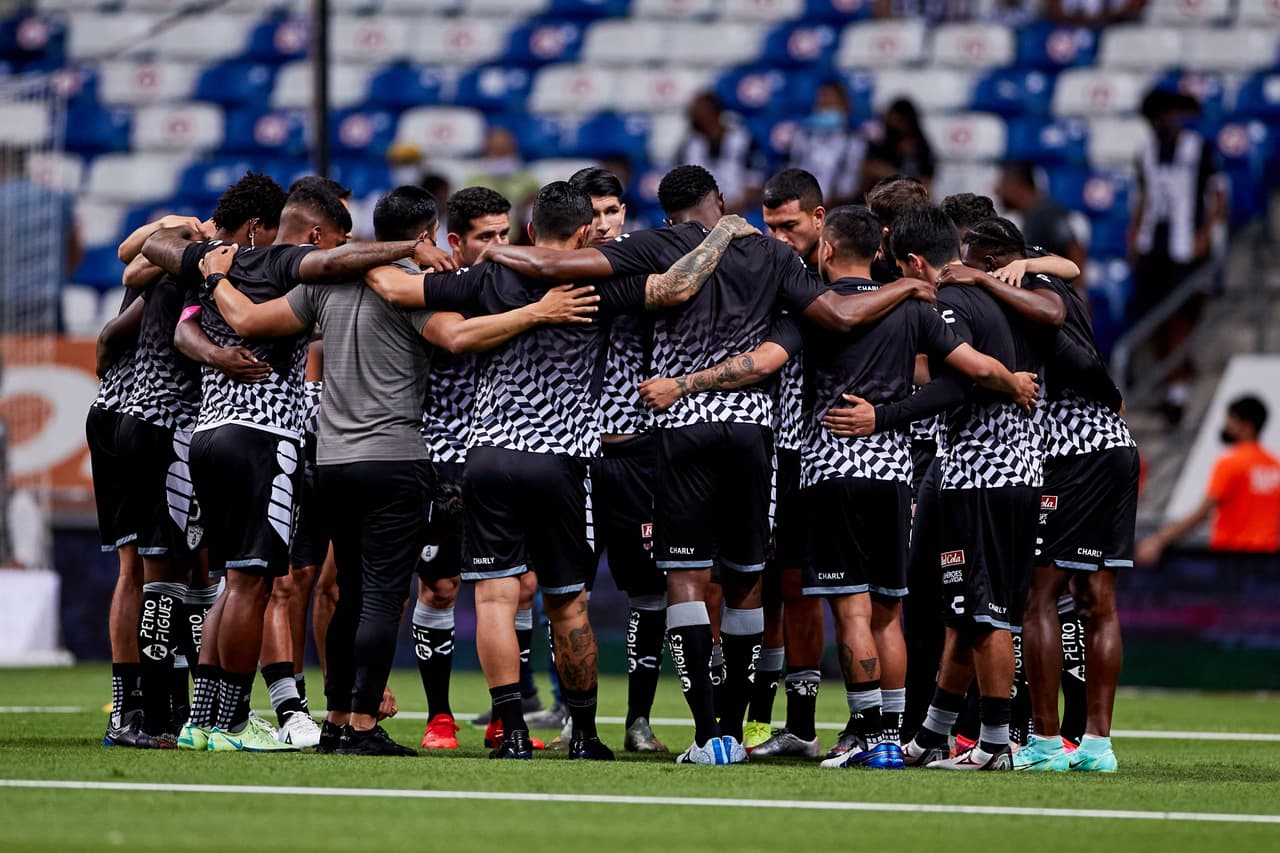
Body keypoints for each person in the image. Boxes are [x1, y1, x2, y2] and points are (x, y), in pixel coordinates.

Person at [481, 164, 939, 764]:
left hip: (680, 428)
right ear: (720, 200)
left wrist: (491, 256)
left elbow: (556, 266)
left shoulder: (652, 245)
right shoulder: (774, 256)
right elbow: (841, 317)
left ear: (665, 209)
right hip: (756, 435)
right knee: (748, 584)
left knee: (688, 582)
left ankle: (709, 737)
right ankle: (741, 725)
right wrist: (907, 287)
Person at [641, 206, 1038, 770]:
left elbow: (763, 362)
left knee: (851, 612)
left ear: (825, 251)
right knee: (886, 615)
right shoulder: (913, 307)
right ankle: (894, 739)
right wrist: (1014, 381)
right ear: (876, 253)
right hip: (895, 474)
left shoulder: (810, 315)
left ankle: (868, 738)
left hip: (830, 472)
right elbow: (972, 368)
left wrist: (683, 384)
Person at [204, 185, 596, 756]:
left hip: (332, 462)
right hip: (395, 460)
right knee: (383, 600)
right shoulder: (414, 290)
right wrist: (536, 311)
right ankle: (362, 726)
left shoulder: (327, 283)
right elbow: (459, 337)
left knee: (345, 596)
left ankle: (335, 719)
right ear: (428, 234)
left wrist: (216, 279)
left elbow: (251, 320)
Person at [376, 182, 760, 760]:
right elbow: (677, 287)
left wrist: (399, 251)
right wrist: (726, 230)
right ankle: (584, 734)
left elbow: (393, 288)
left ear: (530, 232)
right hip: (562, 463)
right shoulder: (597, 284)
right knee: (567, 603)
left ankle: (511, 733)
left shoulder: (486, 278)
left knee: (495, 601)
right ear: (584, 235)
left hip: (489, 456)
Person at [139, 182, 456, 753]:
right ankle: (232, 723)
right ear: (317, 236)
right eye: (341, 237)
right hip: (264, 437)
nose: (347, 246)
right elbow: (340, 262)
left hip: (206, 433)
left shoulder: (224, 261)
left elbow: (151, 248)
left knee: (225, 582)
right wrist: (407, 249)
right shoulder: (296, 264)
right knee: (250, 583)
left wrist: (202, 252)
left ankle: (204, 722)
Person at [829, 205, 1043, 771]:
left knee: (988, 614)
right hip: (1006, 472)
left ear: (917, 262)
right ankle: (934, 733)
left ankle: (996, 744)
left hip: (985, 476)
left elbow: (960, 386)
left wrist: (883, 416)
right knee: (967, 615)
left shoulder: (954, 300)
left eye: (902, 269)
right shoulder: (994, 294)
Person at [944, 216, 1137, 773]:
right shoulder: (1043, 273)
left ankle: (1048, 743)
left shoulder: (1023, 286)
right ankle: (1097, 746)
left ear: (986, 257)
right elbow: (1070, 272)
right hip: (1112, 445)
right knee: (1099, 599)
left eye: (969, 260)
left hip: (1075, 448)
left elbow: (1064, 340)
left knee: (1037, 596)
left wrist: (1108, 391)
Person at [113, 175, 289, 745]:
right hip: (166, 422)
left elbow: (129, 265)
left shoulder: (197, 253)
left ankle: (178, 711)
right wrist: (189, 241)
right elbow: (130, 268)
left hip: (164, 420)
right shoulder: (210, 255)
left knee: (190, 573)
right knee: (157, 572)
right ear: (257, 226)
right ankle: (146, 712)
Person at [554, 166, 670, 754]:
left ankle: (639, 720)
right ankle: (575, 715)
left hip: (636, 454)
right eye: (592, 214)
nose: (603, 225)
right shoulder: (549, 274)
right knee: (563, 590)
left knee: (647, 591)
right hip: (570, 456)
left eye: (612, 212)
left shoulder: (651, 266)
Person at [746, 168, 828, 756]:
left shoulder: (846, 276)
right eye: (769, 225)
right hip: (759, 446)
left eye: (789, 225)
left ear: (819, 219)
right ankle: (754, 720)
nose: (778, 236)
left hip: (814, 454)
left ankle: (801, 723)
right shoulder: (764, 272)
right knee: (759, 587)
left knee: (799, 589)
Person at [1129, 89, 1228, 426]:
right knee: (1156, 316)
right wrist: (1134, 235)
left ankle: (1178, 386)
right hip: (1153, 245)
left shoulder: (1197, 150)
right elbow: (1143, 197)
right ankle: (1168, 380)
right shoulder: (1145, 155)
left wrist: (1206, 234)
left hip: (1186, 245)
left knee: (1181, 315)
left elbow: (1216, 192)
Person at [1139, 396, 1280, 561]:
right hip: (1268, 563)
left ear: (1246, 425)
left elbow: (1203, 512)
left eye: (1231, 420)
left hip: (1233, 561)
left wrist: (1159, 540)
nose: (1227, 426)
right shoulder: (1274, 466)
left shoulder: (1232, 462)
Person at [995, 163, 1088, 297]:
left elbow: (1074, 248)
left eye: (1003, 183)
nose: (998, 190)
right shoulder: (1030, 215)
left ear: (1017, 184)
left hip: (1058, 295)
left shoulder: (1046, 211)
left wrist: (1079, 293)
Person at [678, 91, 767, 214]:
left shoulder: (743, 138)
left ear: (716, 113)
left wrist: (733, 209)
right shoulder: (690, 145)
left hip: (744, 209)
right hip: (705, 212)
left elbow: (754, 181)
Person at [787, 81, 866, 207]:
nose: (825, 111)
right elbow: (793, 173)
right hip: (804, 205)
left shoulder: (854, 141)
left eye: (830, 106)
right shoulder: (803, 137)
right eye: (822, 105)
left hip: (839, 208)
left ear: (845, 107)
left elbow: (852, 184)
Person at [862, 99, 935, 194]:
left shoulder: (922, 148)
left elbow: (926, 182)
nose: (897, 125)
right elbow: (870, 168)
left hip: (910, 201)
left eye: (901, 120)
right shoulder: (880, 143)